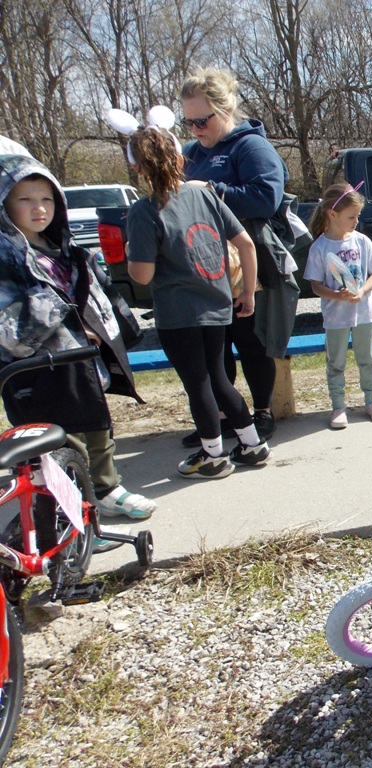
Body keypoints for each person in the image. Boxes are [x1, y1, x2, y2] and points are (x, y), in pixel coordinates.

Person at [0, 153, 157, 549]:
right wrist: (64, 315)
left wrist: (110, 327)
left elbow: (97, 295)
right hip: (36, 372)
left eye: (47, 199)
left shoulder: (66, 250)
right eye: (25, 199)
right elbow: (10, 328)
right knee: (61, 445)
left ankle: (107, 489)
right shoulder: (7, 257)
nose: (38, 208)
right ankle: (75, 522)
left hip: (78, 362)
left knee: (97, 426)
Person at [117, 111, 271, 479]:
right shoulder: (204, 194)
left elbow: (143, 274)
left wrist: (131, 254)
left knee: (198, 383)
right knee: (218, 378)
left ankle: (213, 455)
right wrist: (247, 292)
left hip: (178, 314)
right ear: (180, 158)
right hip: (217, 303)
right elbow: (246, 244)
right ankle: (252, 444)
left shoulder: (144, 211)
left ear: (137, 167)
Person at [178, 66, 299, 446]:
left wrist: (210, 190)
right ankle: (225, 416)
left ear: (226, 110)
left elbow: (265, 198)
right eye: (188, 122)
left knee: (251, 341)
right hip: (203, 264)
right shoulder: (191, 153)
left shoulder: (251, 148)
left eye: (202, 120)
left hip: (246, 264)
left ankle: (261, 412)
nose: (195, 129)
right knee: (214, 345)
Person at [303, 182, 372, 429]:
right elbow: (315, 285)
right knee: (336, 363)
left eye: (358, 216)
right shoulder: (319, 247)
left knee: (367, 359)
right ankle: (338, 407)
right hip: (336, 318)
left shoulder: (362, 241)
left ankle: (371, 401)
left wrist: (362, 290)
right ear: (332, 214)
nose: (356, 221)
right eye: (351, 217)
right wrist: (336, 296)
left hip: (365, 314)